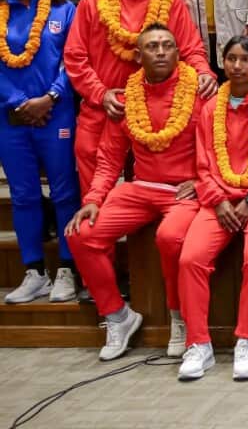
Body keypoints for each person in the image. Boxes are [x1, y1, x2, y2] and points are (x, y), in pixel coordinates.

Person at [65, 24, 207, 361]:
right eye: (153, 46)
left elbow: (224, 148)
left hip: (185, 191)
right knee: (81, 234)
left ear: (177, 52)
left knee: (171, 237)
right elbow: (109, 159)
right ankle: (118, 315)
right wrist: (93, 200)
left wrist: (203, 183)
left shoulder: (201, 93)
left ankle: (178, 318)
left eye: (168, 45)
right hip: (140, 189)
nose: (160, 52)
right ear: (138, 56)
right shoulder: (125, 100)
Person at [64, 0, 215, 198]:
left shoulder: (171, 1)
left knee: (156, 183)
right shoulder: (92, 2)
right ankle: (100, 234)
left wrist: (203, 72)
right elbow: (75, 57)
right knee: (92, 170)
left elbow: (190, 48)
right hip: (106, 105)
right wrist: (101, 94)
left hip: (160, 108)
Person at [176, 36, 248, 381]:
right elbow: (203, 166)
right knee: (189, 259)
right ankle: (199, 344)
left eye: (245, 60)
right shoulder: (210, 109)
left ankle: (246, 340)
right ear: (223, 63)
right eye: (231, 59)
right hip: (218, 202)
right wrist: (220, 200)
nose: (237, 66)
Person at [0, 0, 79, 305]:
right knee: (24, 194)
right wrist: (19, 102)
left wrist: (49, 98)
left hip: (56, 112)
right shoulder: (0, 9)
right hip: (10, 116)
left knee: (64, 192)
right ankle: (34, 272)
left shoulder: (66, 10)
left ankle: (66, 268)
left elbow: (74, 60)